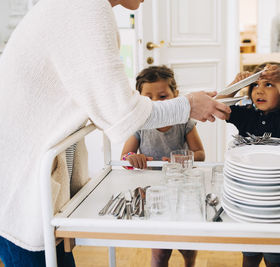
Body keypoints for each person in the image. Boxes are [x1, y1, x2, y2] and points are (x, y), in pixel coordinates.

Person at [0, 0, 231, 266]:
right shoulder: (87, 8)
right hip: (21, 179)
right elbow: (121, 112)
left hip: (33, 175)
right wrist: (188, 105)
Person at [218, 62, 280, 267]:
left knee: (275, 259)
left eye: (269, 85)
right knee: (250, 254)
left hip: (277, 198)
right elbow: (218, 106)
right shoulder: (246, 114)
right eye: (255, 85)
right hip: (248, 195)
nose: (260, 90)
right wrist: (235, 85)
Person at [121, 66, 203, 267]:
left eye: (163, 96)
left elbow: (200, 154)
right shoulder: (140, 124)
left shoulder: (184, 122)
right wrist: (134, 158)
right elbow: (125, 157)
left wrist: (183, 159)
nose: (156, 103)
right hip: (151, 193)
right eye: (148, 98)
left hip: (181, 190)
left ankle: (190, 261)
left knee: (187, 245)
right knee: (159, 251)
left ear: (176, 96)